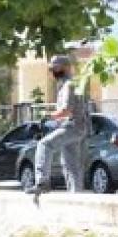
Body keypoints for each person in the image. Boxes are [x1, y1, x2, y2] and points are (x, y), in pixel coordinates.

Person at [30, 53, 92, 194]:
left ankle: (42, 182)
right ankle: (76, 196)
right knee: (71, 165)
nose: (53, 72)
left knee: (44, 144)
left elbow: (67, 111)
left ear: (66, 67)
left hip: (72, 127)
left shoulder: (68, 85)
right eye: (52, 69)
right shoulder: (69, 85)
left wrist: (47, 116)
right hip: (76, 127)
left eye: (56, 68)